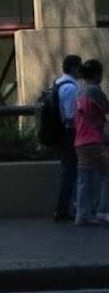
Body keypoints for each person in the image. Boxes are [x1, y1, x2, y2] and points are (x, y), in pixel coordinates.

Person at [72, 58, 109, 226]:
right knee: (106, 174)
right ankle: (103, 210)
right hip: (94, 139)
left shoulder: (79, 90)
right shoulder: (94, 90)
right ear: (96, 74)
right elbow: (106, 107)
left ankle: (82, 214)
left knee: (84, 178)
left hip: (80, 140)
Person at [51, 55, 83, 222]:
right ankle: (64, 208)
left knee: (68, 171)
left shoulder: (58, 83)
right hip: (69, 134)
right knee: (71, 171)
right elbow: (71, 115)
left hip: (61, 133)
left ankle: (63, 208)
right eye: (79, 66)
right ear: (73, 68)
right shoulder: (70, 88)